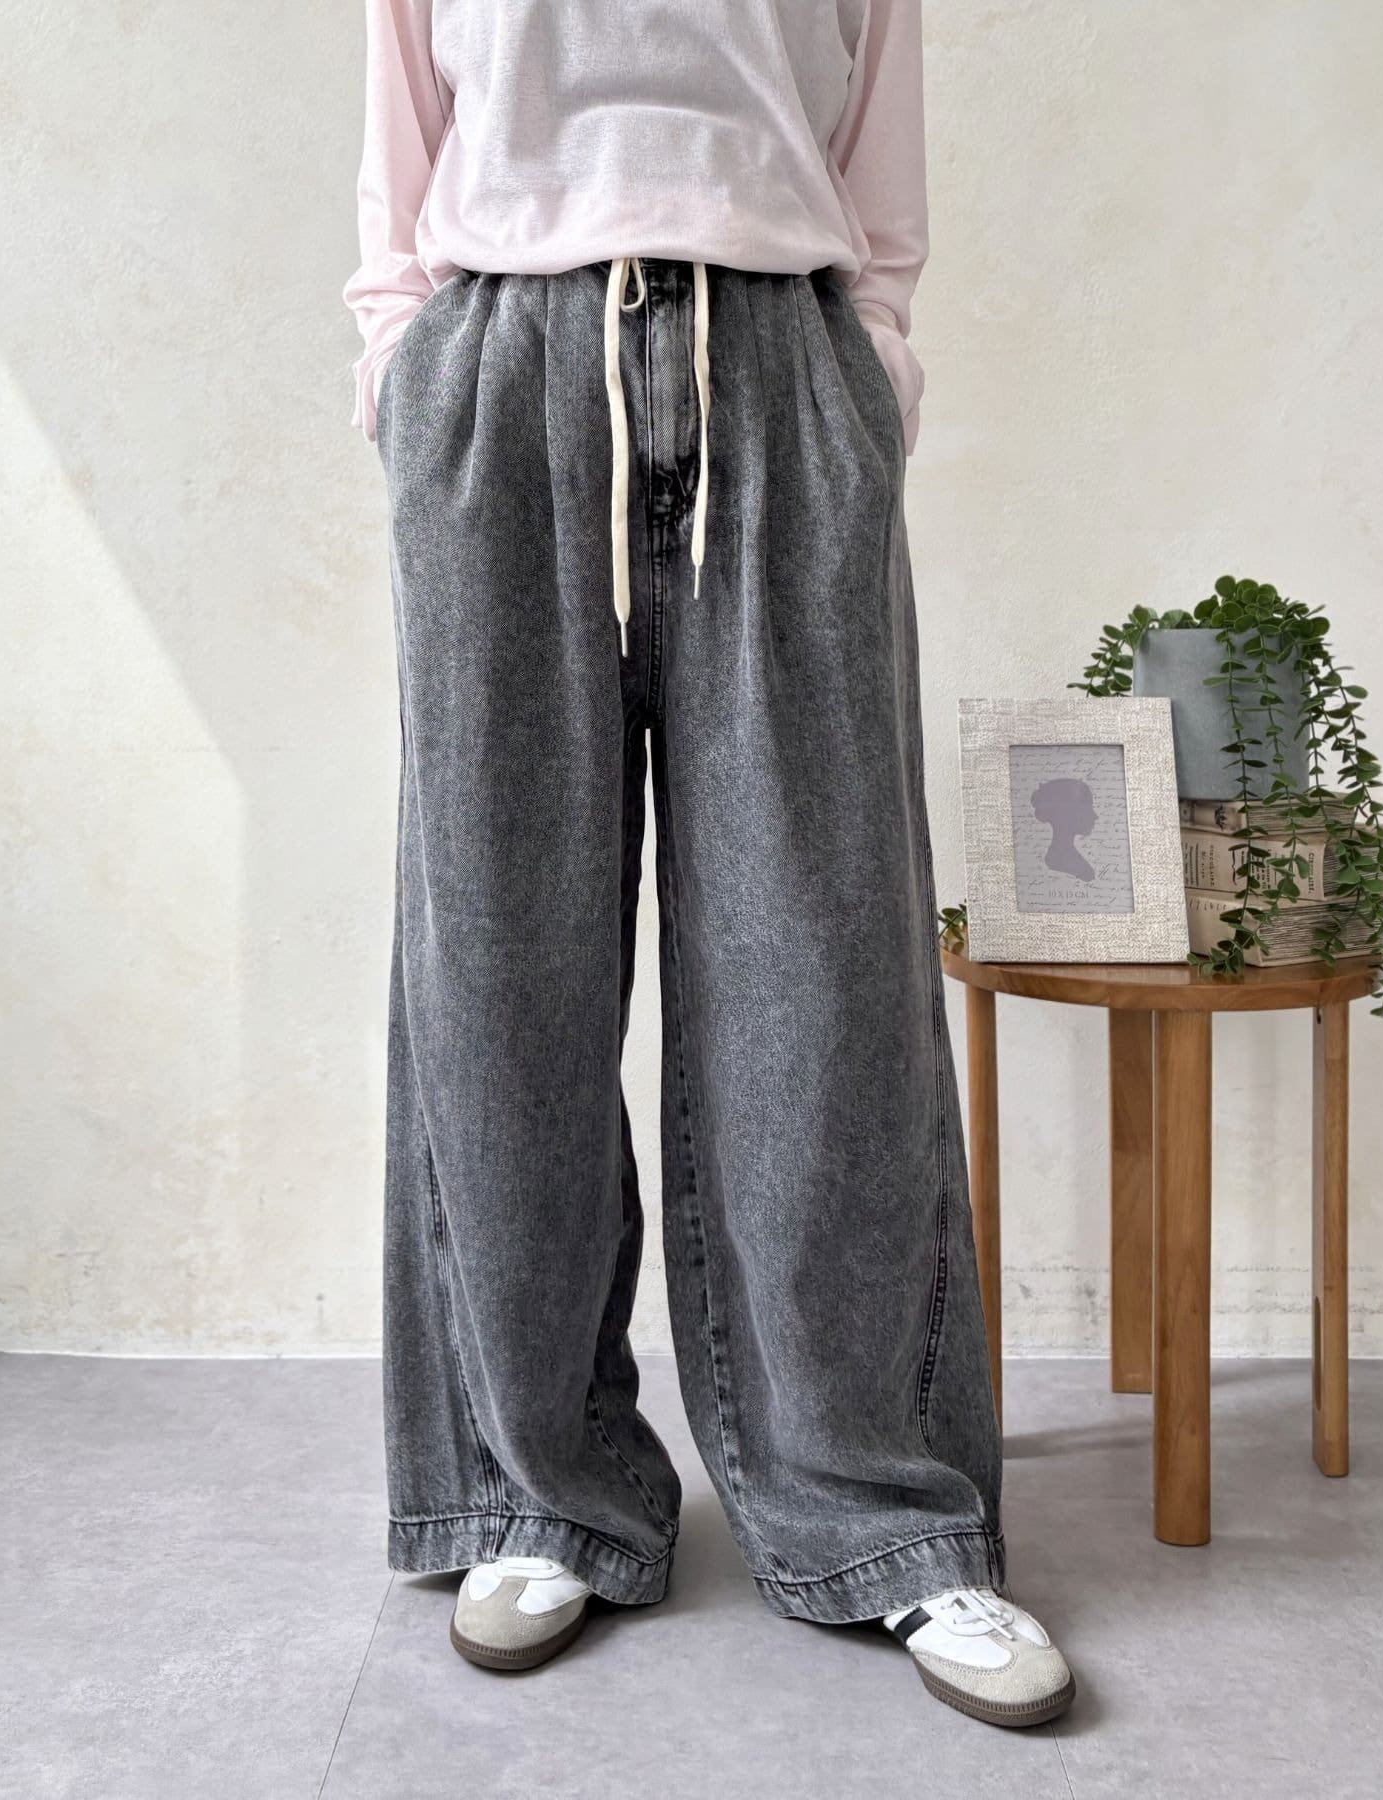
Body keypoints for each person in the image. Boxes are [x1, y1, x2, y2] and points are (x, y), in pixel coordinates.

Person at [342, 0, 1075, 1728]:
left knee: (826, 975)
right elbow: (399, 154)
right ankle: (539, 1491)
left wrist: (867, 372)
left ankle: (881, 1512)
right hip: (508, 365)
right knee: (501, 967)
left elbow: (879, 174)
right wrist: (405, 375)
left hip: (781, 365)